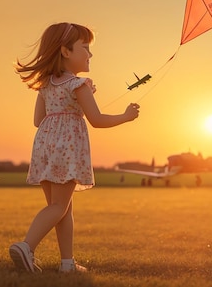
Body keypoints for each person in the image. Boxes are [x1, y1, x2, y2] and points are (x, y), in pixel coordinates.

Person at [9, 22, 140, 273]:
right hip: (67, 151)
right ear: (66, 52)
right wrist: (126, 116)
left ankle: (67, 264)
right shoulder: (78, 84)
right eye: (85, 48)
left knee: (62, 208)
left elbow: (38, 120)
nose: (90, 54)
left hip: (45, 148)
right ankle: (26, 246)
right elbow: (97, 120)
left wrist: (66, 109)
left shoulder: (46, 84)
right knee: (58, 207)